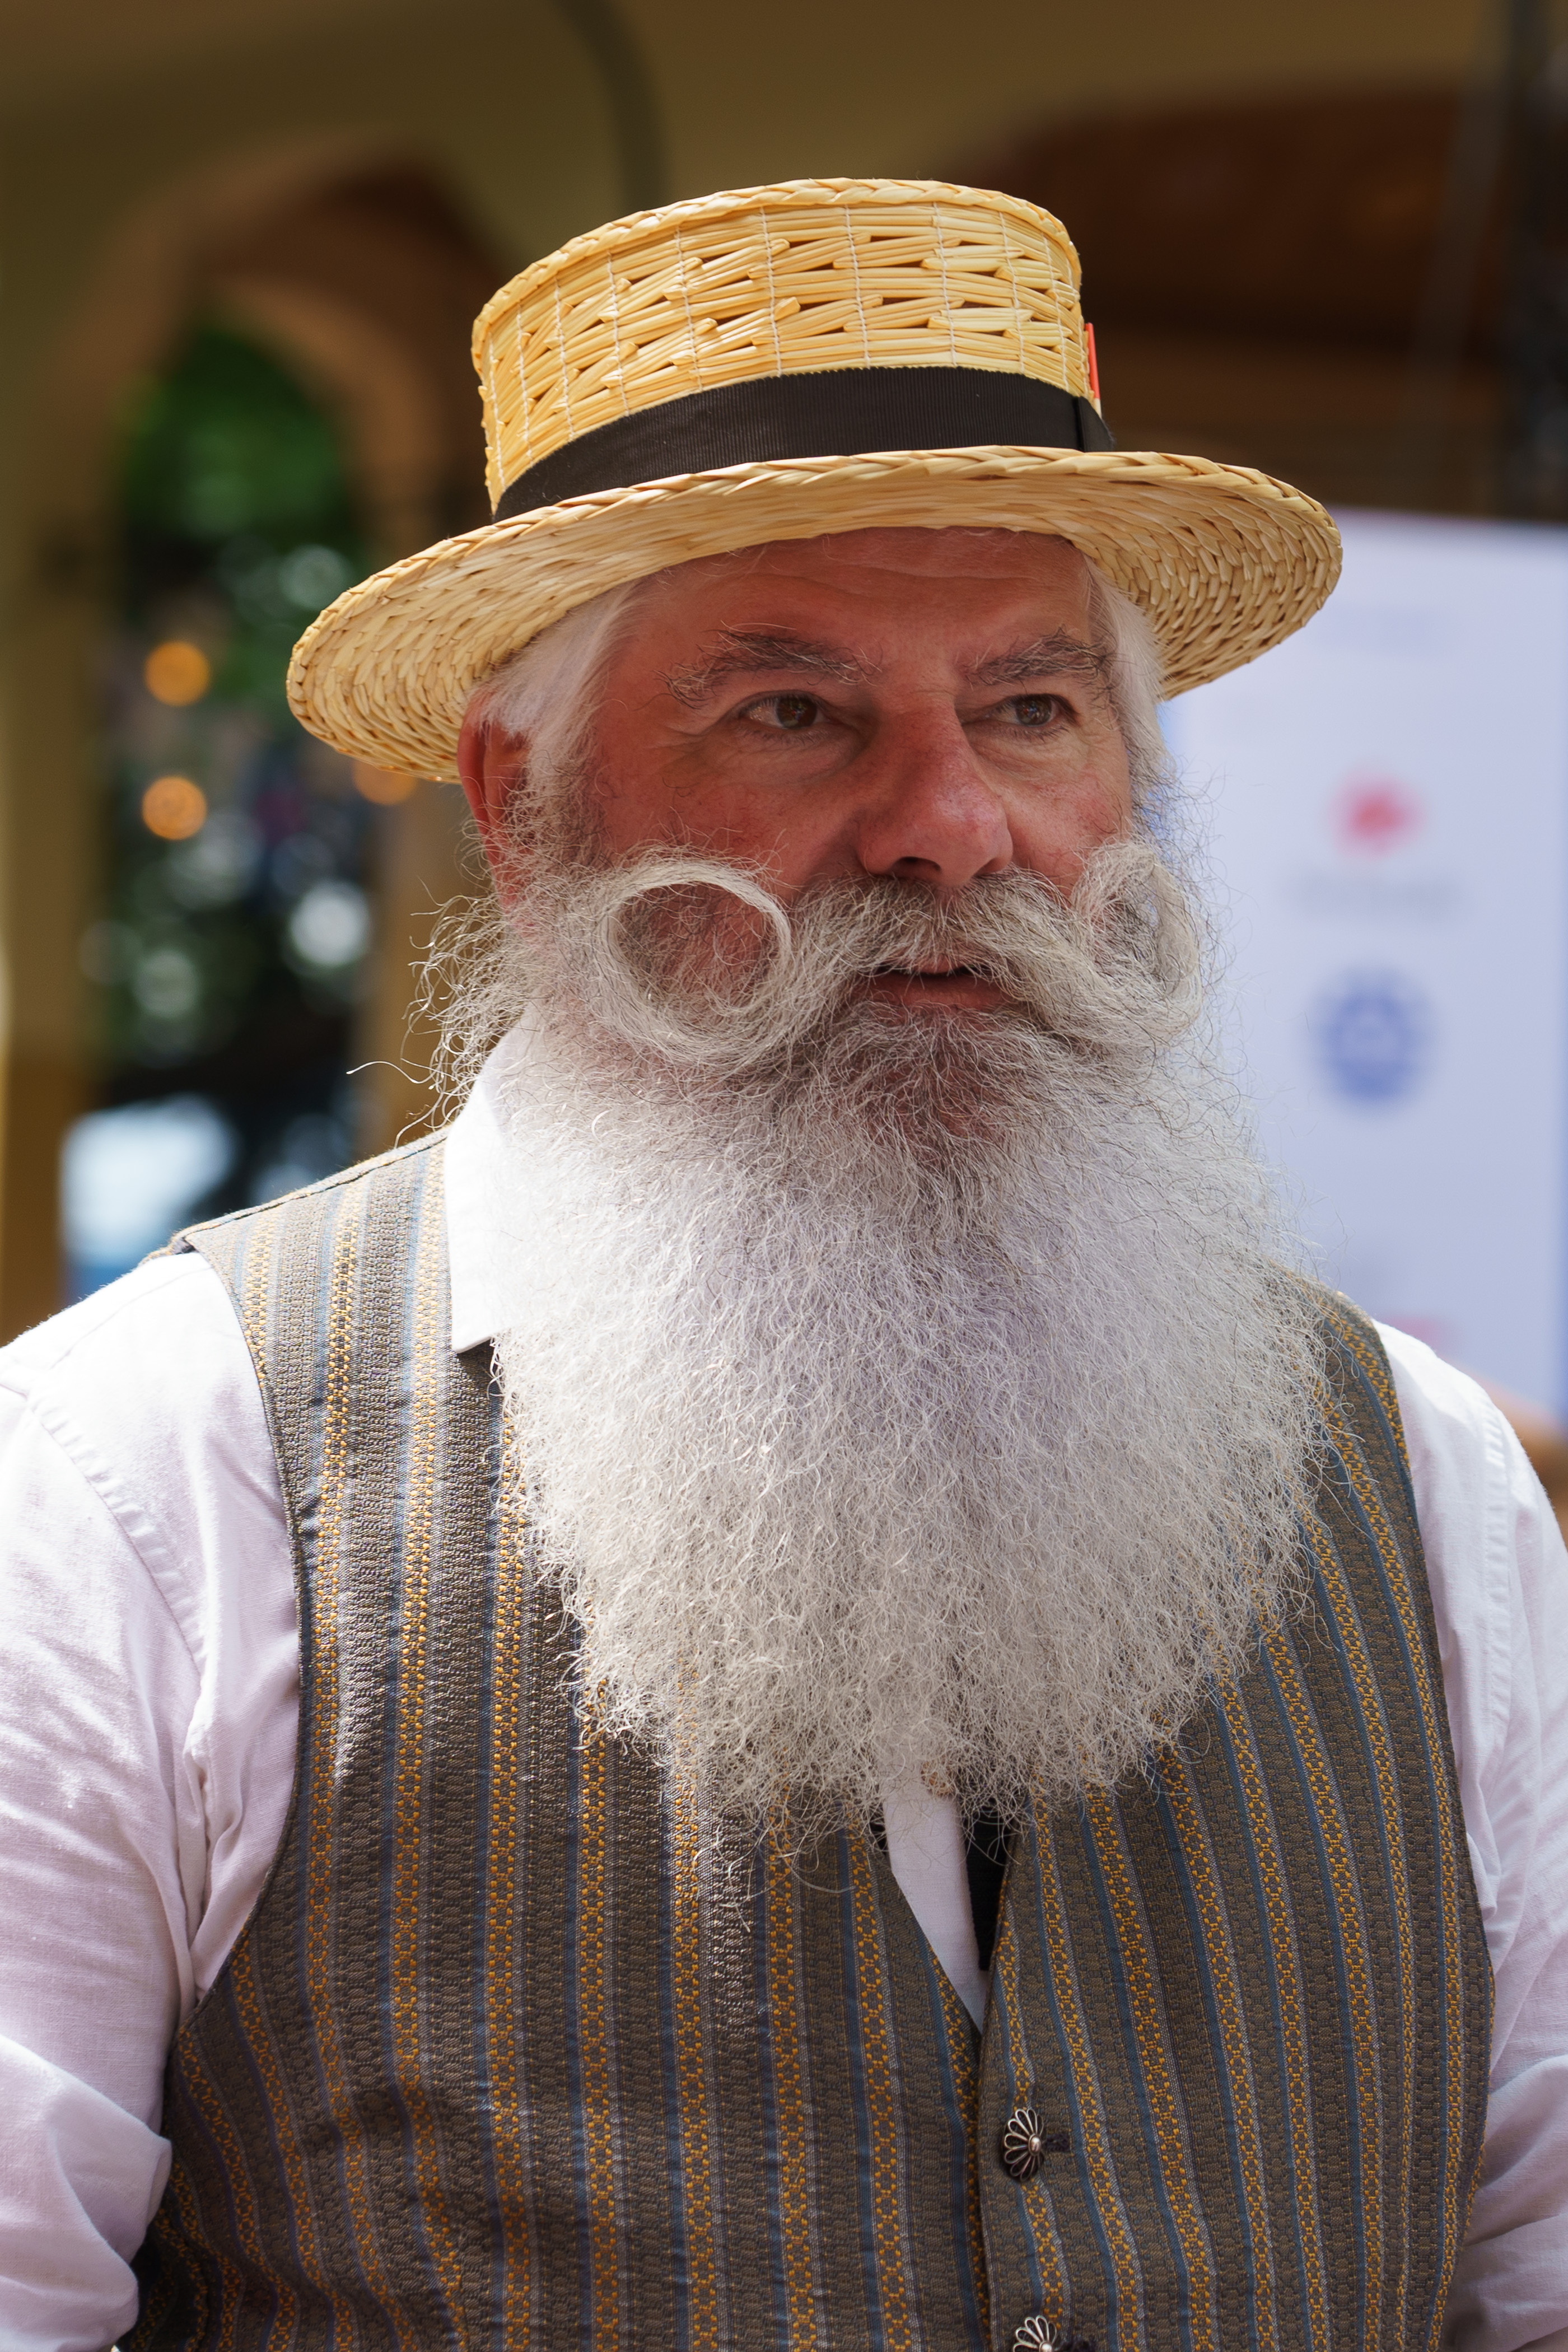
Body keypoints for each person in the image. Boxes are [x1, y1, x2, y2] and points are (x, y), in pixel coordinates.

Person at [2, 176, 1565, 2352]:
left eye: (1032, 707)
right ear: (518, 800)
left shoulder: (1425, 1487)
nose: (950, 821)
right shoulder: (136, 1483)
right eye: (791, 713)